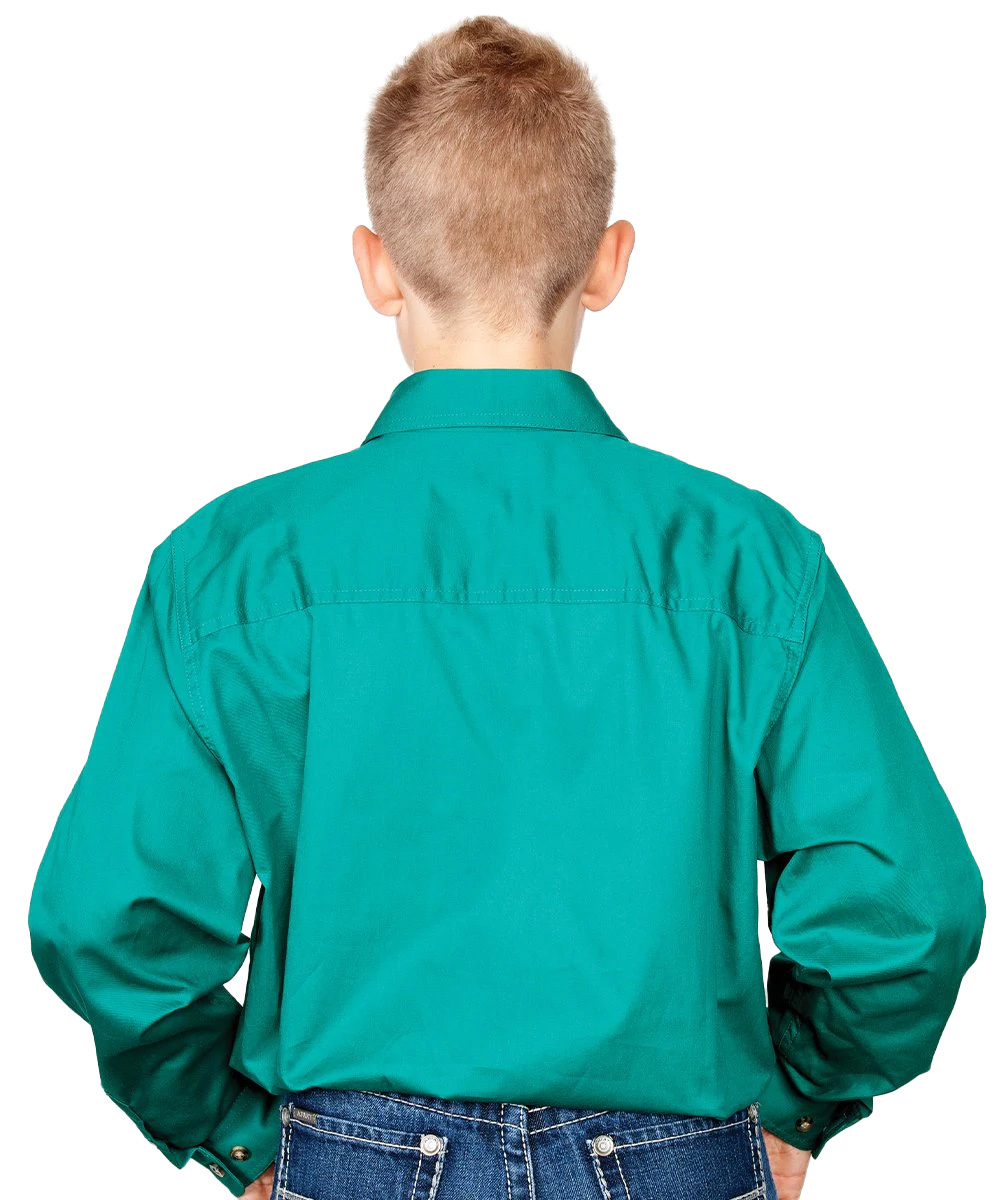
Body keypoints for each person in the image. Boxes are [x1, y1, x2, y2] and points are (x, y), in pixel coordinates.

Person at [27, 15, 985, 1200]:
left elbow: (106, 920)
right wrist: (804, 1096)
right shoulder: (750, 560)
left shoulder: (233, 566)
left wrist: (225, 1126)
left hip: (353, 1158)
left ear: (376, 266)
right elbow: (910, 910)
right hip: (680, 1158)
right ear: (609, 262)